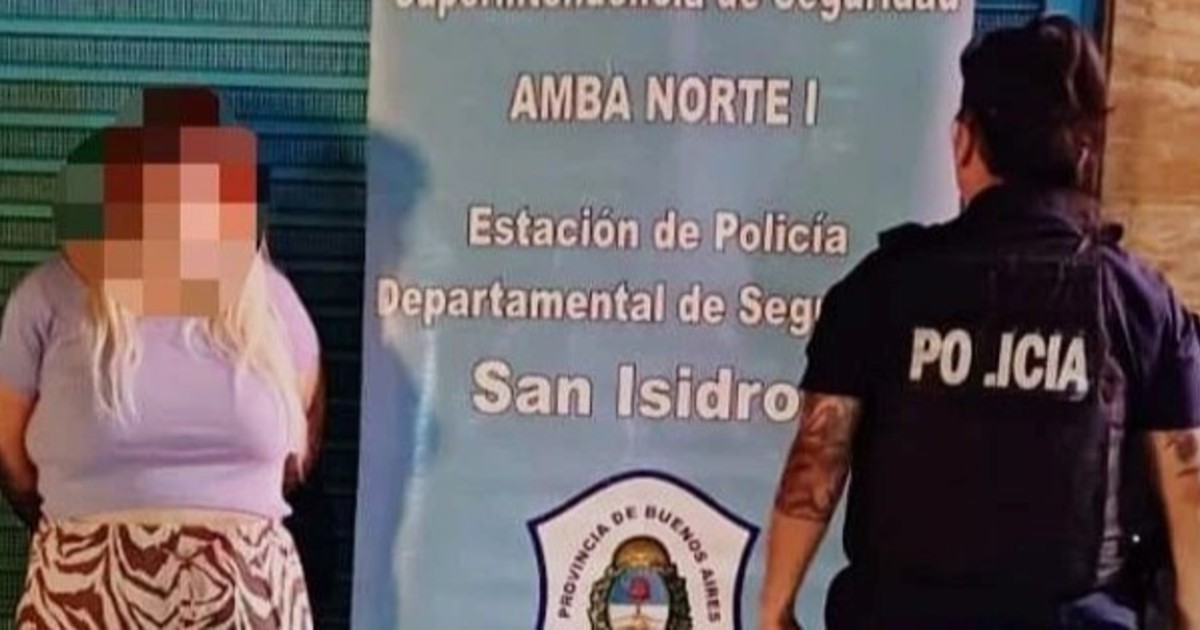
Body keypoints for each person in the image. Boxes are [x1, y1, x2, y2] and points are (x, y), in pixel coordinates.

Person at [759, 15, 1200, 630]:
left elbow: (817, 459)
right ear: (1084, 153)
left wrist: (776, 608)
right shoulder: (1139, 302)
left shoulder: (881, 287)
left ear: (965, 142)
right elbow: (1188, 490)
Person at [0, 86, 324, 628]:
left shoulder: (274, 303)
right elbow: (11, 458)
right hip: (85, 598)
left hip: (248, 600)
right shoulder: (47, 298)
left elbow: (300, 444)